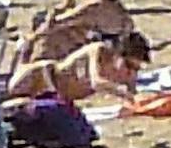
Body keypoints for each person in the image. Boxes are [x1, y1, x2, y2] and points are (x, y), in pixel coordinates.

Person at [9, 31, 150, 103]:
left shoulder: (125, 70)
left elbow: (133, 89)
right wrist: (125, 95)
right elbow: (96, 82)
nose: (131, 72)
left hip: (58, 95)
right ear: (117, 55)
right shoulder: (98, 51)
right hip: (41, 79)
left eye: (136, 69)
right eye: (129, 65)